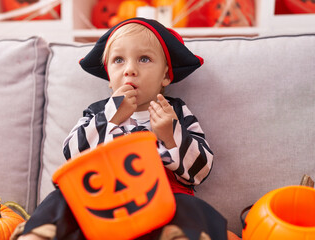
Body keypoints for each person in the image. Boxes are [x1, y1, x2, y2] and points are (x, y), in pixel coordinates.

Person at [16, 18, 226, 240]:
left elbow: (200, 170)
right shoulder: (97, 112)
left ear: (165, 75)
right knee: (61, 198)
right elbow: (72, 155)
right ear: (108, 76)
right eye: (118, 60)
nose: (130, 70)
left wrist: (171, 134)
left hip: (162, 201)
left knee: (192, 207)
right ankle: (40, 234)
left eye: (144, 59)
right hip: (104, 204)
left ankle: (181, 236)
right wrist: (110, 118)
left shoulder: (176, 112)